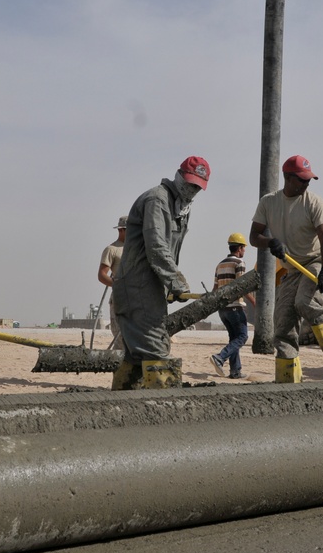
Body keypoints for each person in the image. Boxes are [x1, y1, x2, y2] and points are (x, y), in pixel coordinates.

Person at [110, 156, 210, 390]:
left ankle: (120, 403)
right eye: (190, 184)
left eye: (198, 187)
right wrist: (177, 283)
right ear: (178, 176)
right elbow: (156, 247)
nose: (192, 190)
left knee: (137, 354)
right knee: (156, 348)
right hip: (137, 286)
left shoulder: (181, 207)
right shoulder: (158, 200)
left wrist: (168, 286)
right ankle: (166, 408)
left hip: (150, 287)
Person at [249, 154, 323, 383]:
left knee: (306, 302)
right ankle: (288, 376)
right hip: (293, 269)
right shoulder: (268, 203)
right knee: (283, 320)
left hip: (316, 262)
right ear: (288, 177)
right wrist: (270, 242)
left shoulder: (314, 202)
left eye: (309, 180)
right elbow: (254, 237)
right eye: (302, 180)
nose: (306, 184)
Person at [209, 232, 256, 379]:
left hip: (223, 310)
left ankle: (235, 372)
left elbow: (215, 289)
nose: (245, 251)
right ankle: (220, 357)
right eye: (244, 248)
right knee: (242, 337)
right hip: (235, 307)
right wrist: (255, 302)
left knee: (233, 339)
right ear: (240, 248)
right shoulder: (239, 264)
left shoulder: (220, 265)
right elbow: (241, 286)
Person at [97, 215, 127, 350]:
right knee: (120, 337)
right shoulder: (112, 249)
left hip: (137, 298)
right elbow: (102, 275)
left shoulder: (139, 249)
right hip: (120, 298)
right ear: (121, 230)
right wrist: (117, 285)